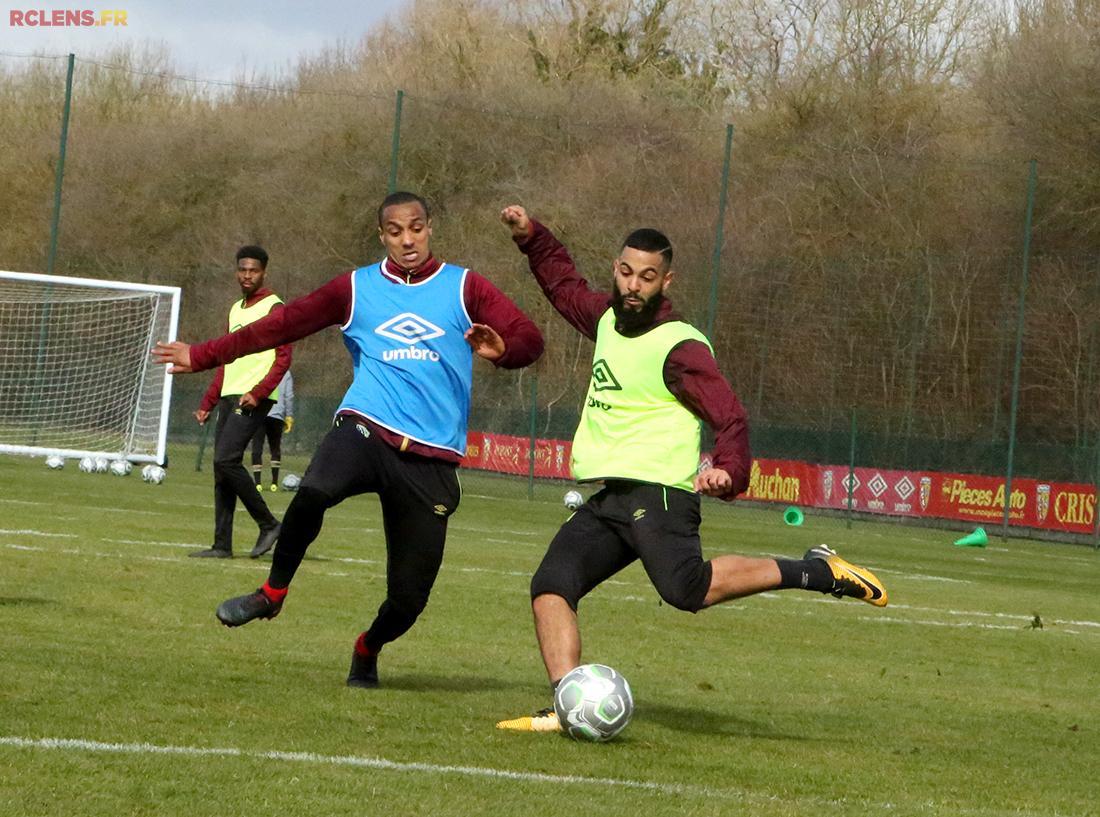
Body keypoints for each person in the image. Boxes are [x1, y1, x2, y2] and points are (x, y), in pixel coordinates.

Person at [493, 205, 888, 733]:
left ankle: (818, 570)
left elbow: (730, 414)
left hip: (658, 494)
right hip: (615, 495)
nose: (634, 286)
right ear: (617, 269)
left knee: (687, 590)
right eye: (627, 273)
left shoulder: (680, 345)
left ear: (666, 280)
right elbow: (564, 288)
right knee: (551, 586)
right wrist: (530, 236)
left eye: (647, 277)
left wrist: (728, 470)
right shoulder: (609, 317)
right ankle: (567, 706)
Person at [154, 191, 544, 688]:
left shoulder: (465, 287)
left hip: (432, 460)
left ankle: (367, 647)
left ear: (430, 229)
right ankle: (272, 593)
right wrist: (202, 355)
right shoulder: (355, 288)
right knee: (314, 489)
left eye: (417, 228)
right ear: (382, 236)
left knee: (408, 600)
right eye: (396, 231)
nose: (408, 240)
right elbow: (279, 326)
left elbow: (531, 339)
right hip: (366, 426)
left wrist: (505, 349)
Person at [190, 245, 290, 560]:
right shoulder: (235, 309)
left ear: (264, 272)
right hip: (230, 394)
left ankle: (269, 524)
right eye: (242, 269)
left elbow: (283, 359)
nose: (247, 275)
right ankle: (222, 545)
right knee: (221, 469)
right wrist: (208, 400)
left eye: (254, 270)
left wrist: (259, 392)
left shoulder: (275, 308)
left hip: (253, 397)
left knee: (225, 460)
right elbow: (225, 359)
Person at [251, 369, 295, 492]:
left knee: (257, 446)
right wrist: (289, 415)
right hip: (277, 414)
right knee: (275, 447)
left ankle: (257, 483)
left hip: (259, 412)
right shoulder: (285, 371)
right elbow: (289, 395)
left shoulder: (261, 366)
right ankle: (274, 483)